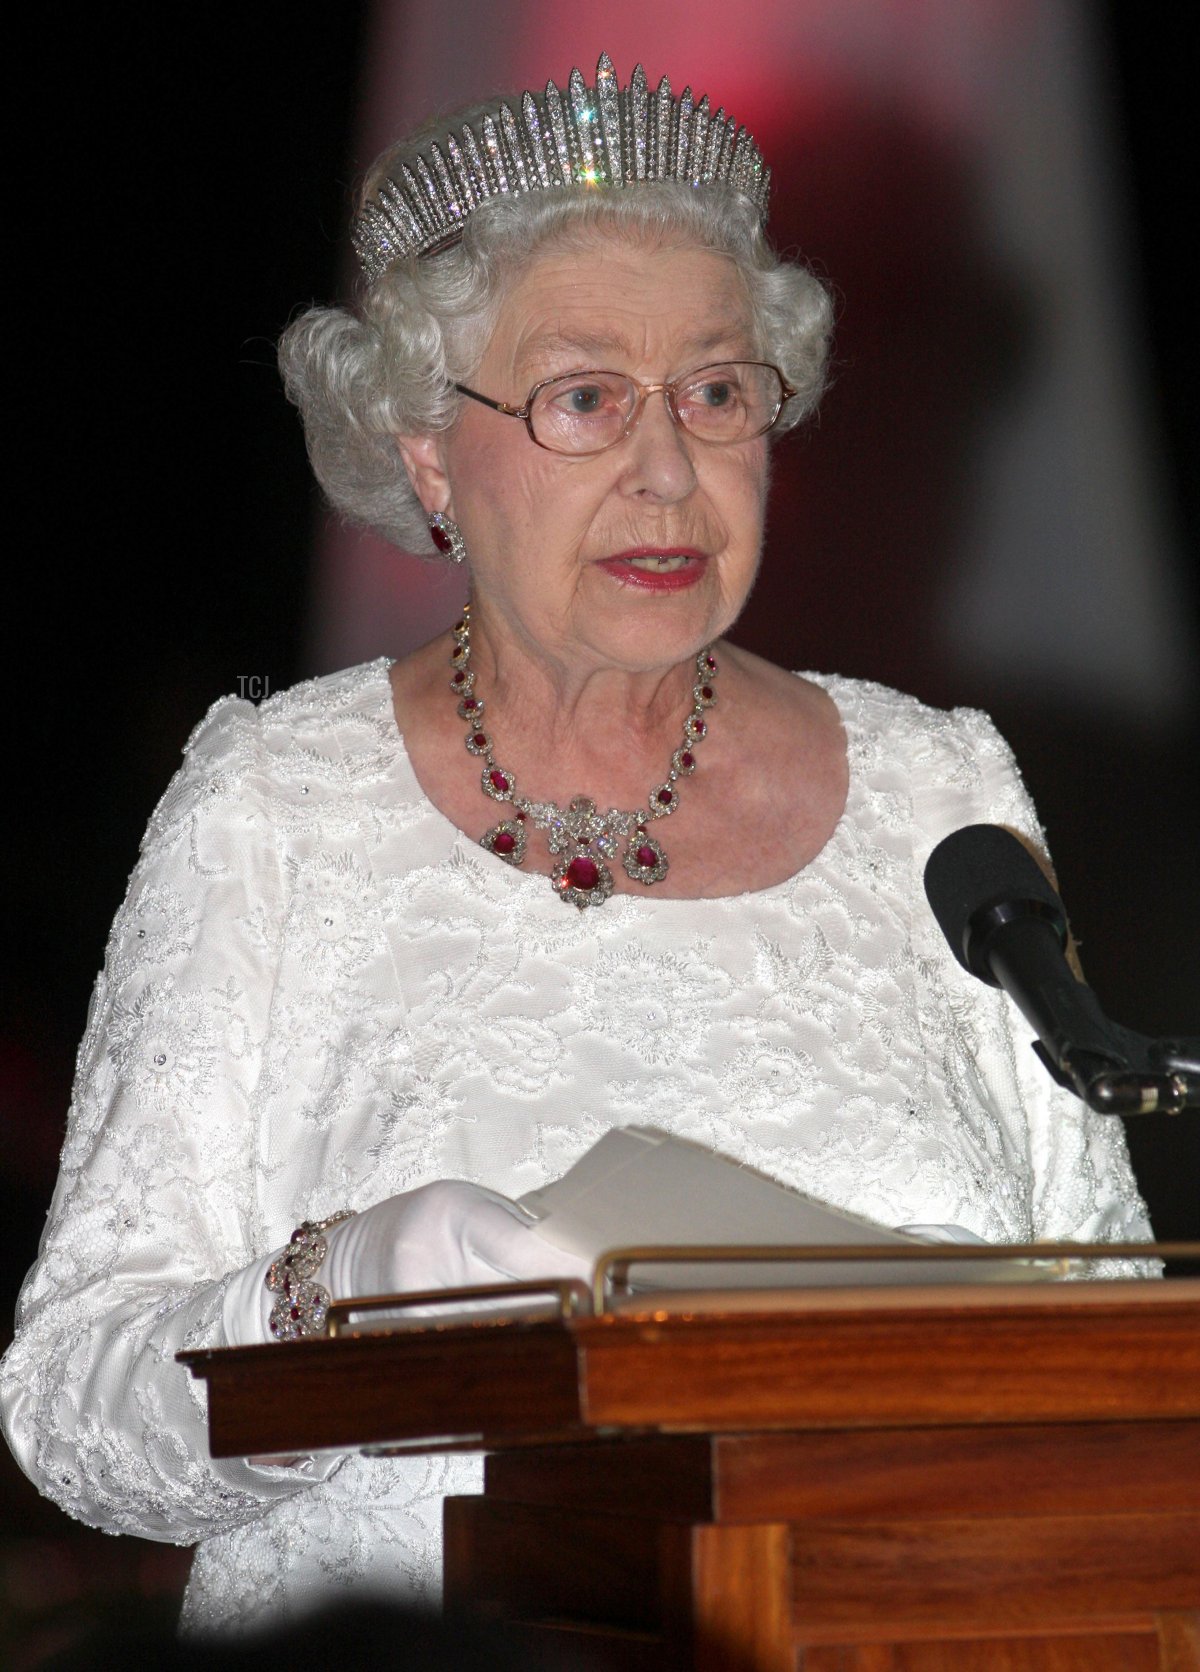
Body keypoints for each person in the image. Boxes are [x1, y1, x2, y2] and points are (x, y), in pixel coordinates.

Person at [0, 54, 1151, 1639]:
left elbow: (1113, 1357)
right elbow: (73, 1416)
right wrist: (334, 1301)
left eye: (719, 391)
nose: (668, 468)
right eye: (586, 397)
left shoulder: (935, 788)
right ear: (424, 450)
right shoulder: (274, 806)